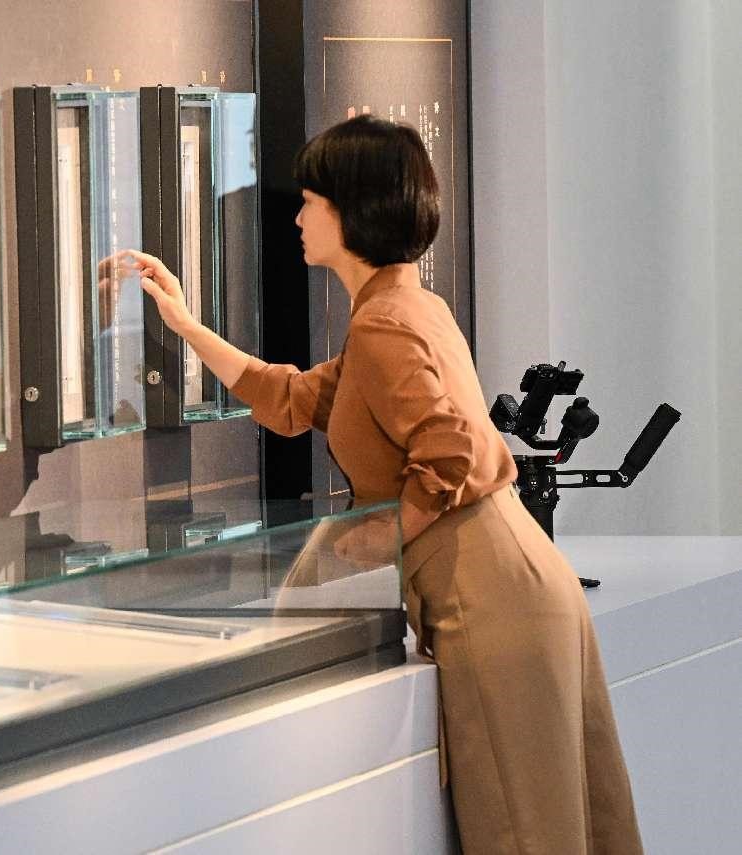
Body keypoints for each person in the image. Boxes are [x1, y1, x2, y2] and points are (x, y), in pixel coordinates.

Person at [126, 114, 643, 854]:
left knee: (522, 830)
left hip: (490, 599)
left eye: (311, 201)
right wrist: (185, 324)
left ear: (352, 211)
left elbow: (452, 450)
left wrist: (378, 537)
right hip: (512, 584)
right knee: (559, 822)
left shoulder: (384, 325)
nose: (298, 217)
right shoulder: (402, 308)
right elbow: (293, 399)